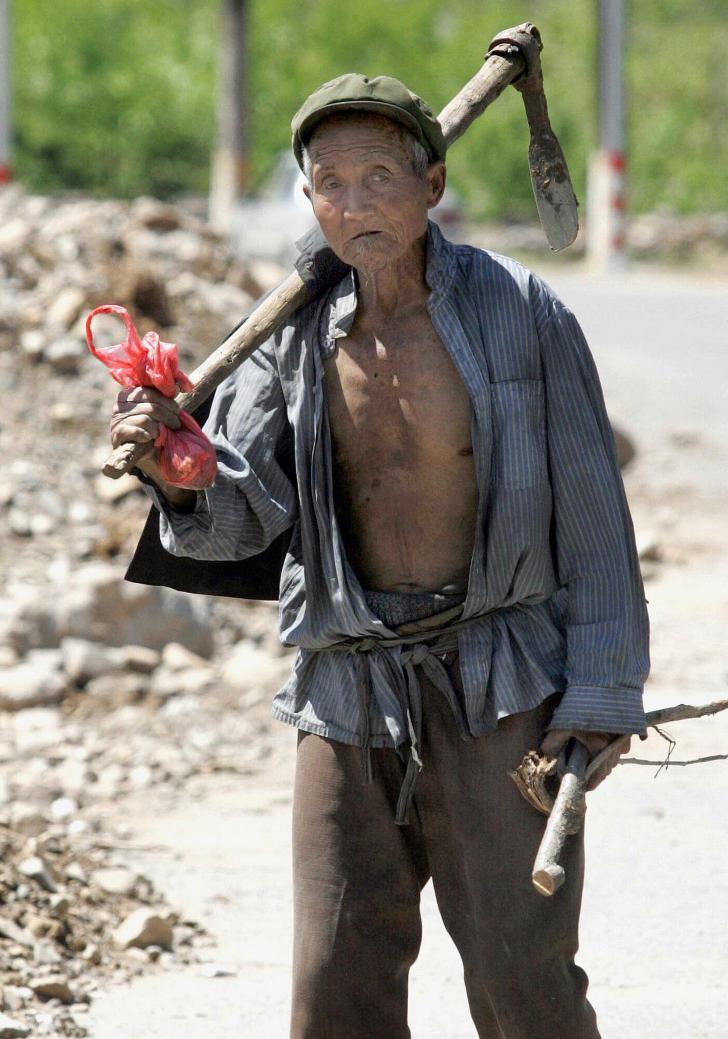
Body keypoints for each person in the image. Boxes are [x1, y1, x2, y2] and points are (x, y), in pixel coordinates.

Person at [111, 73, 649, 1039]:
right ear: (308, 199)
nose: (353, 205)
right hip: (346, 687)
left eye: (378, 179)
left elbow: (596, 518)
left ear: (432, 185)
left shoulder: (522, 311)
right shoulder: (292, 336)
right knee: (333, 988)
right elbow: (243, 521)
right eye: (329, 184)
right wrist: (179, 468)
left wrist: (602, 695)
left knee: (524, 983)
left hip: (500, 682)